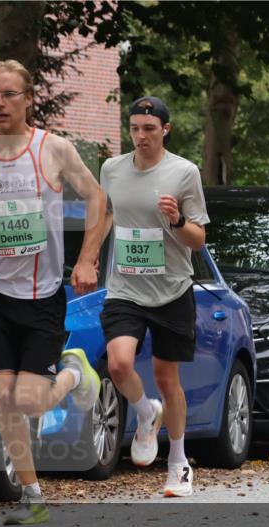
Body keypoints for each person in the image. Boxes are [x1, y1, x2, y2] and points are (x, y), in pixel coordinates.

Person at [0, 59, 108, 525]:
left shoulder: (53, 150)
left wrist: (87, 257)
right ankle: (32, 495)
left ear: (27, 98)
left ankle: (77, 374)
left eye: (9, 94)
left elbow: (97, 197)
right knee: (3, 397)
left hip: (42, 296)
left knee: (31, 400)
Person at [97, 96, 209, 497]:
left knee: (167, 377)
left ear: (166, 129)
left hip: (172, 289)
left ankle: (178, 464)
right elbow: (103, 216)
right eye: (134, 128)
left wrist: (177, 219)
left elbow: (198, 240)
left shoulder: (184, 173)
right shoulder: (111, 169)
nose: (140, 136)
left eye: (148, 129)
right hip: (125, 287)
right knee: (119, 363)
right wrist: (87, 257)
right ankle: (146, 415)